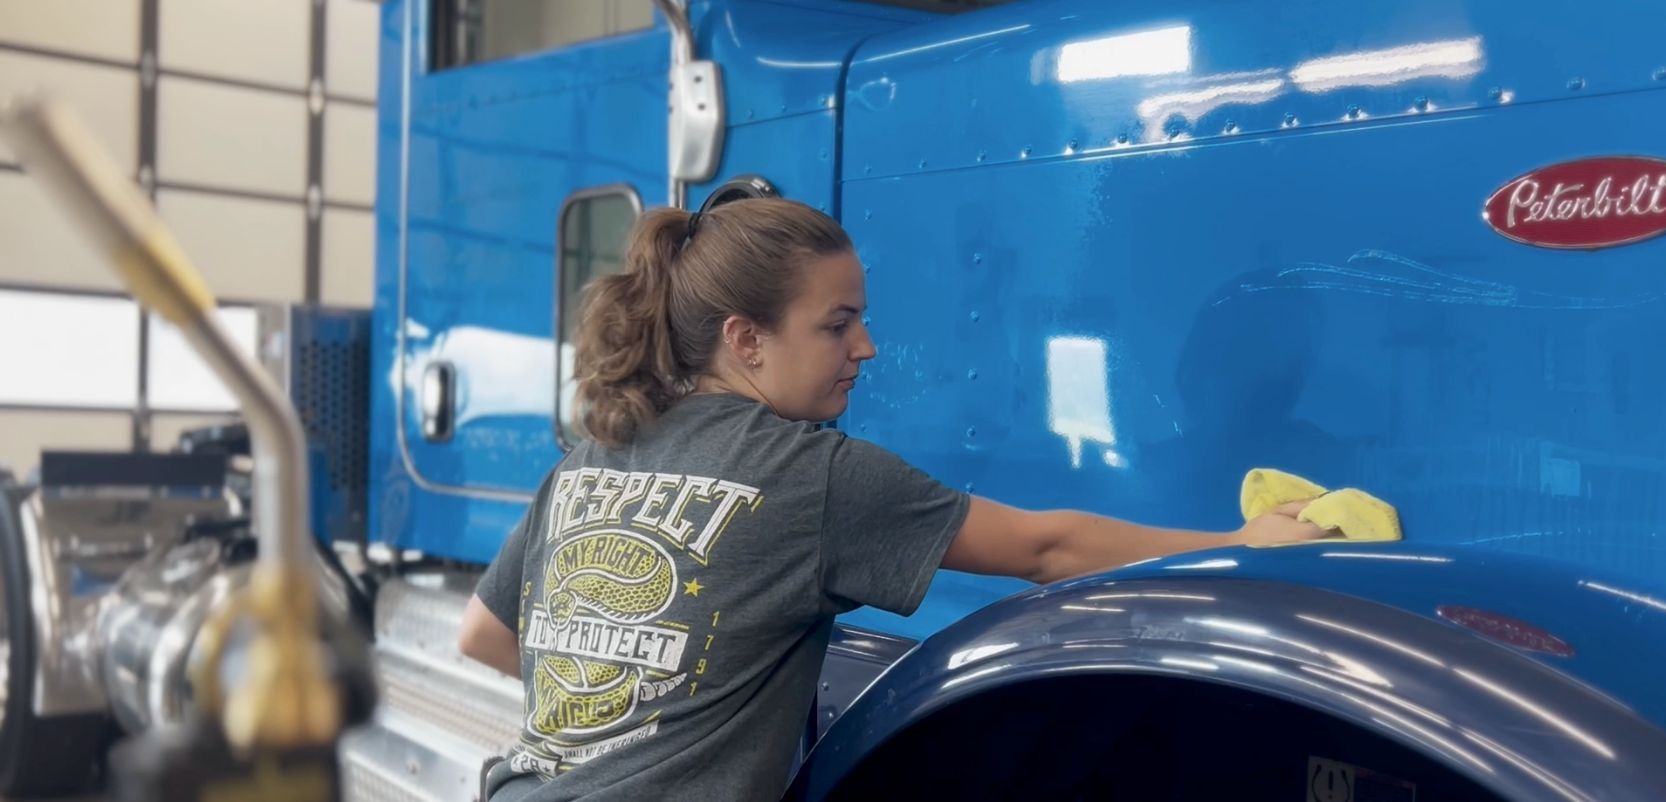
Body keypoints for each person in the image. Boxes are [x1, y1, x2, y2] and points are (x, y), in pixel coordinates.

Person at [459, 199, 1325, 801]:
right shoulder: (809, 474)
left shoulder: (593, 454)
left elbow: (487, 635)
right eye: (837, 323)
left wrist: (633, 706)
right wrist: (1245, 543)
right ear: (745, 341)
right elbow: (1045, 551)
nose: (866, 347)